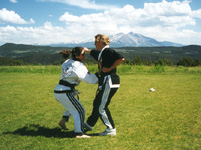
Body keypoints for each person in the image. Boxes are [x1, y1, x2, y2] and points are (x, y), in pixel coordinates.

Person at [84, 34, 125, 136]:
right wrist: (87, 50)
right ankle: (89, 124)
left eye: (95, 42)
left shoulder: (108, 51)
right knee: (97, 102)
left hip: (109, 81)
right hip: (106, 81)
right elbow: (95, 53)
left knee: (101, 107)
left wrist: (110, 68)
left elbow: (121, 58)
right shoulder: (103, 52)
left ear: (101, 42)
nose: (94, 43)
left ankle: (111, 129)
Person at [54, 47, 98, 138]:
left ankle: (63, 121)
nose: (84, 56)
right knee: (80, 111)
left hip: (60, 90)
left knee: (72, 105)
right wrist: (99, 75)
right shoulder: (78, 66)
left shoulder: (67, 62)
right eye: (83, 54)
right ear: (77, 56)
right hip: (65, 92)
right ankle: (79, 133)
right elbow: (89, 79)